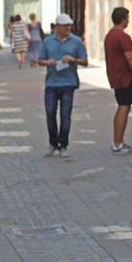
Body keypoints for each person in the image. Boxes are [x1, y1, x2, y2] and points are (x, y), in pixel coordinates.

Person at [37, 13, 88, 158]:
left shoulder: (76, 41)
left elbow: (85, 61)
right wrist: (47, 62)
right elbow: (39, 59)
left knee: (65, 115)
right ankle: (53, 143)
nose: (68, 28)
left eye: (69, 25)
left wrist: (73, 59)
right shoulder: (48, 41)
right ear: (57, 26)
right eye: (65, 25)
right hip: (51, 83)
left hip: (68, 82)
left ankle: (63, 145)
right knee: (50, 113)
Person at [104, 7, 132, 154]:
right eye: (128, 17)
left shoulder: (110, 35)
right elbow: (131, 58)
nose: (129, 20)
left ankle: (119, 141)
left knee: (123, 107)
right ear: (123, 19)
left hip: (116, 76)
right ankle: (117, 143)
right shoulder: (122, 36)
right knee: (124, 107)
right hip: (124, 77)